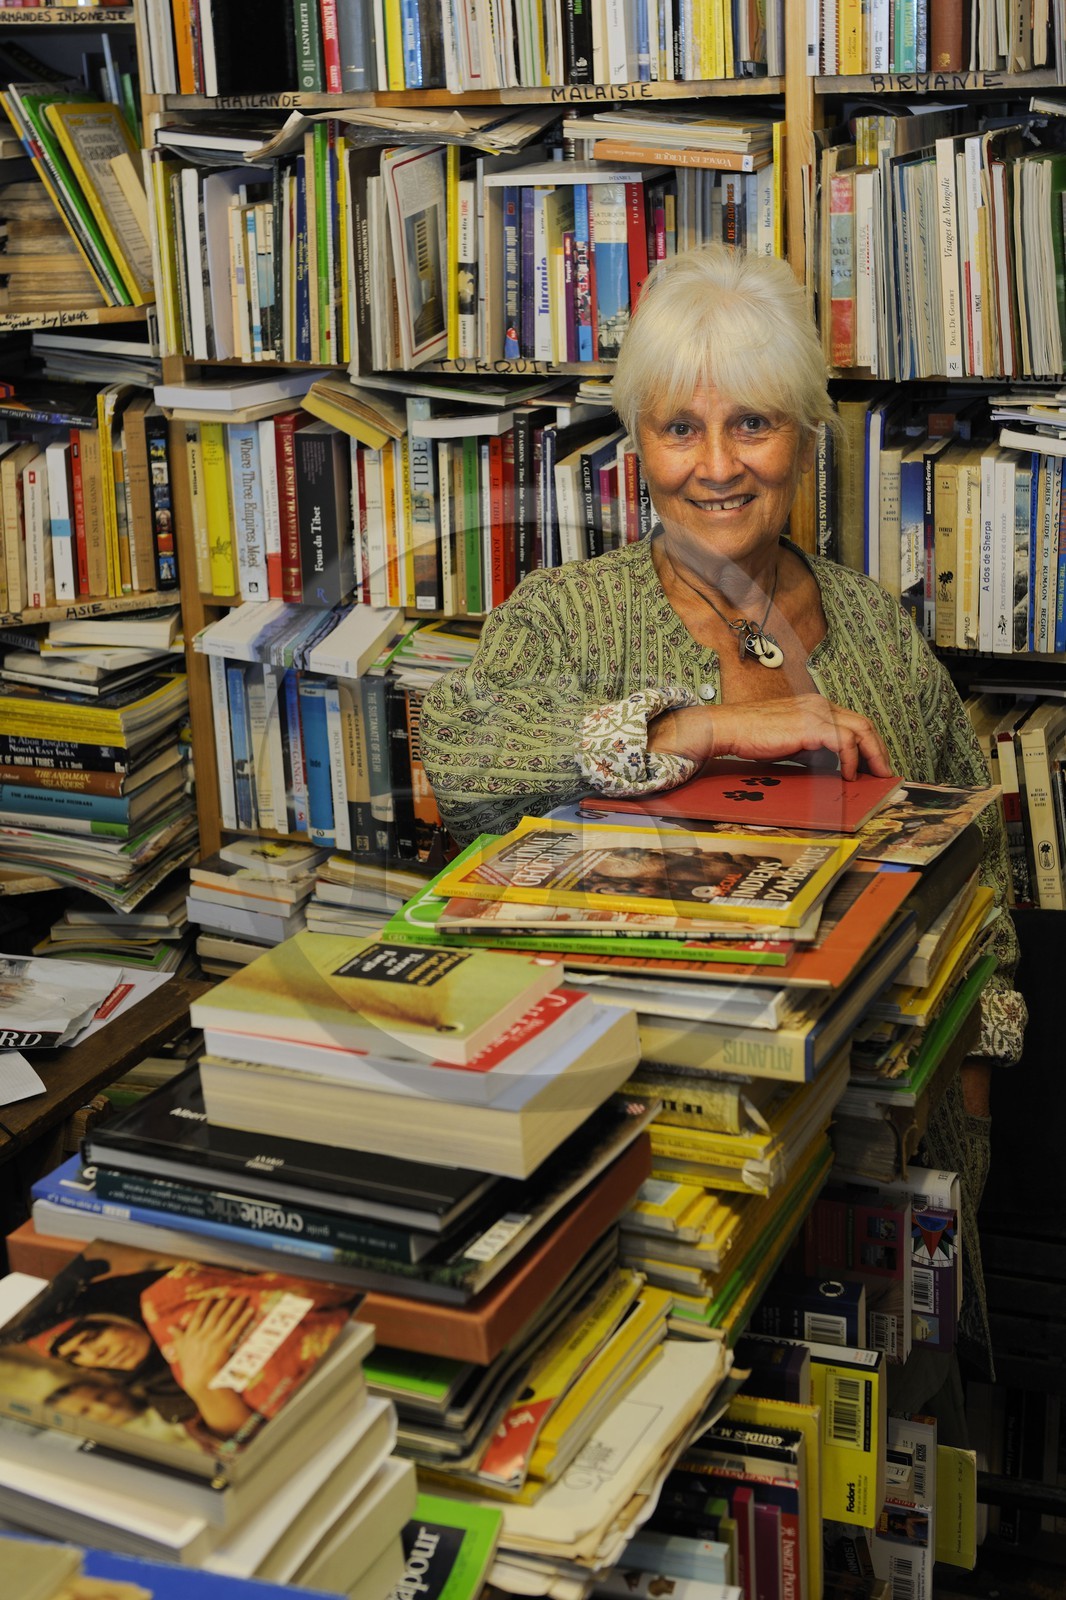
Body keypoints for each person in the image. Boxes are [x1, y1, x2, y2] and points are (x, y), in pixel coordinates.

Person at [420, 244, 1027, 1418]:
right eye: (677, 429)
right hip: (652, 1157)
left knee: (876, 1454)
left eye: (750, 423)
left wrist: (976, 1070)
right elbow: (462, 754)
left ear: (804, 432)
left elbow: (974, 851)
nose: (715, 468)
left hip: (881, 1153)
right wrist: (689, 728)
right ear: (636, 448)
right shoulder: (566, 612)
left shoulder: (868, 624)